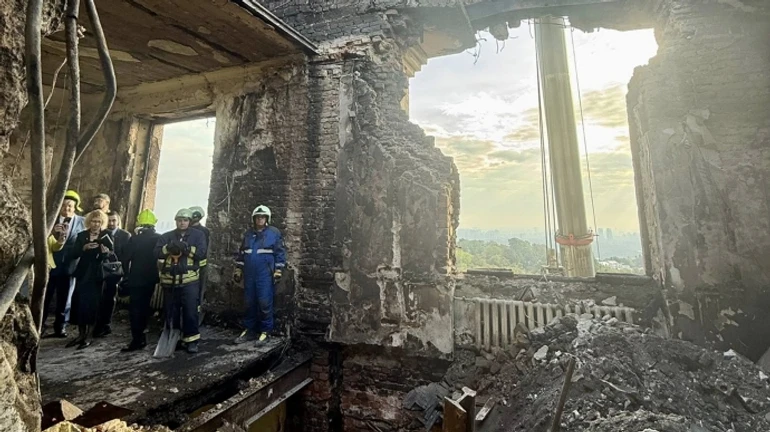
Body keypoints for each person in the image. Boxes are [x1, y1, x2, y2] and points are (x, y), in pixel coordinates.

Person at [154, 208, 207, 354]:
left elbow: (201, 254)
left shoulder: (198, 236)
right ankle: (174, 338)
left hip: (190, 281)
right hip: (170, 281)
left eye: (185, 220)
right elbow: (156, 253)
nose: (182, 223)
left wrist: (187, 248)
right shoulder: (166, 236)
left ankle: (191, 341)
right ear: (175, 221)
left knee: (190, 311)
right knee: (171, 312)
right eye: (179, 220)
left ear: (189, 221)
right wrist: (167, 248)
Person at [233, 205, 286, 346]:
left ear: (267, 219)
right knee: (249, 302)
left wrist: (278, 270)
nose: (260, 219)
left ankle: (265, 332)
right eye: (257, 217)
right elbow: (242, 253)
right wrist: (238, 269)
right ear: (254, 219)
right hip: (250, 274)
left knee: (264, 302)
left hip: (265, 274)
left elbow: (280, 253)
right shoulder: (248, 234)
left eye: (262, 217)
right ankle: (249, 330)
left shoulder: (273, 233)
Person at [43, 189, 86, 338]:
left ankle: (61, 326)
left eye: (70, 206)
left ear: (75, 207)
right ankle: (39, 324)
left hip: (70, 266)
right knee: (45, 295)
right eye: (64, 205)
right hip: (50, 264)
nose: (66, 208)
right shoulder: (50, 219)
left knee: (66, 297)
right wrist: (52, 232)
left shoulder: (83, 222)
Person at [67, 210, 113, 349]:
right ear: (89, 222)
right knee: (79, 303)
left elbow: (112, 254)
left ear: (102, 223)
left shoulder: (107, 235)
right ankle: (80, 334)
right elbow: (73, 254)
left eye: (99, 221)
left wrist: (105, 253)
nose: (96, 224)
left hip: (97, 274)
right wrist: (84, 247)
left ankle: (89, 336)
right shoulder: (82, 235)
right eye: (93, 221)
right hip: (83, 273)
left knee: (93, 305)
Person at [120, 209, 162, 351]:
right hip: (151, 279)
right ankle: (143, 335)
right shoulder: (159, 238)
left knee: (135, 309)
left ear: (139, 223)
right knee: (145, 307)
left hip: (136, 279)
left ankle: (137, 339)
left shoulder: (135, 239)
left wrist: (125, 276)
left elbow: (125, 258)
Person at [93, 211, 131, 337]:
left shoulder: (125, 235)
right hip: (101, 270)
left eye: (114, 220)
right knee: (99, 298)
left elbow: (126, 257)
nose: (111, 223)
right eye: (109, 220)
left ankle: (106, 324)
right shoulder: (101, 233)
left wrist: (123, 274)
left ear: (118, 221)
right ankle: (97, 324)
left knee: (110, 298)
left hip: (115, 271)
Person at [189, 206, 209, 324]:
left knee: (196, 292)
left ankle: (194, 316)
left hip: (198, 267)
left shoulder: (202, 232)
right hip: (195, 266)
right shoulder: (204, 231)